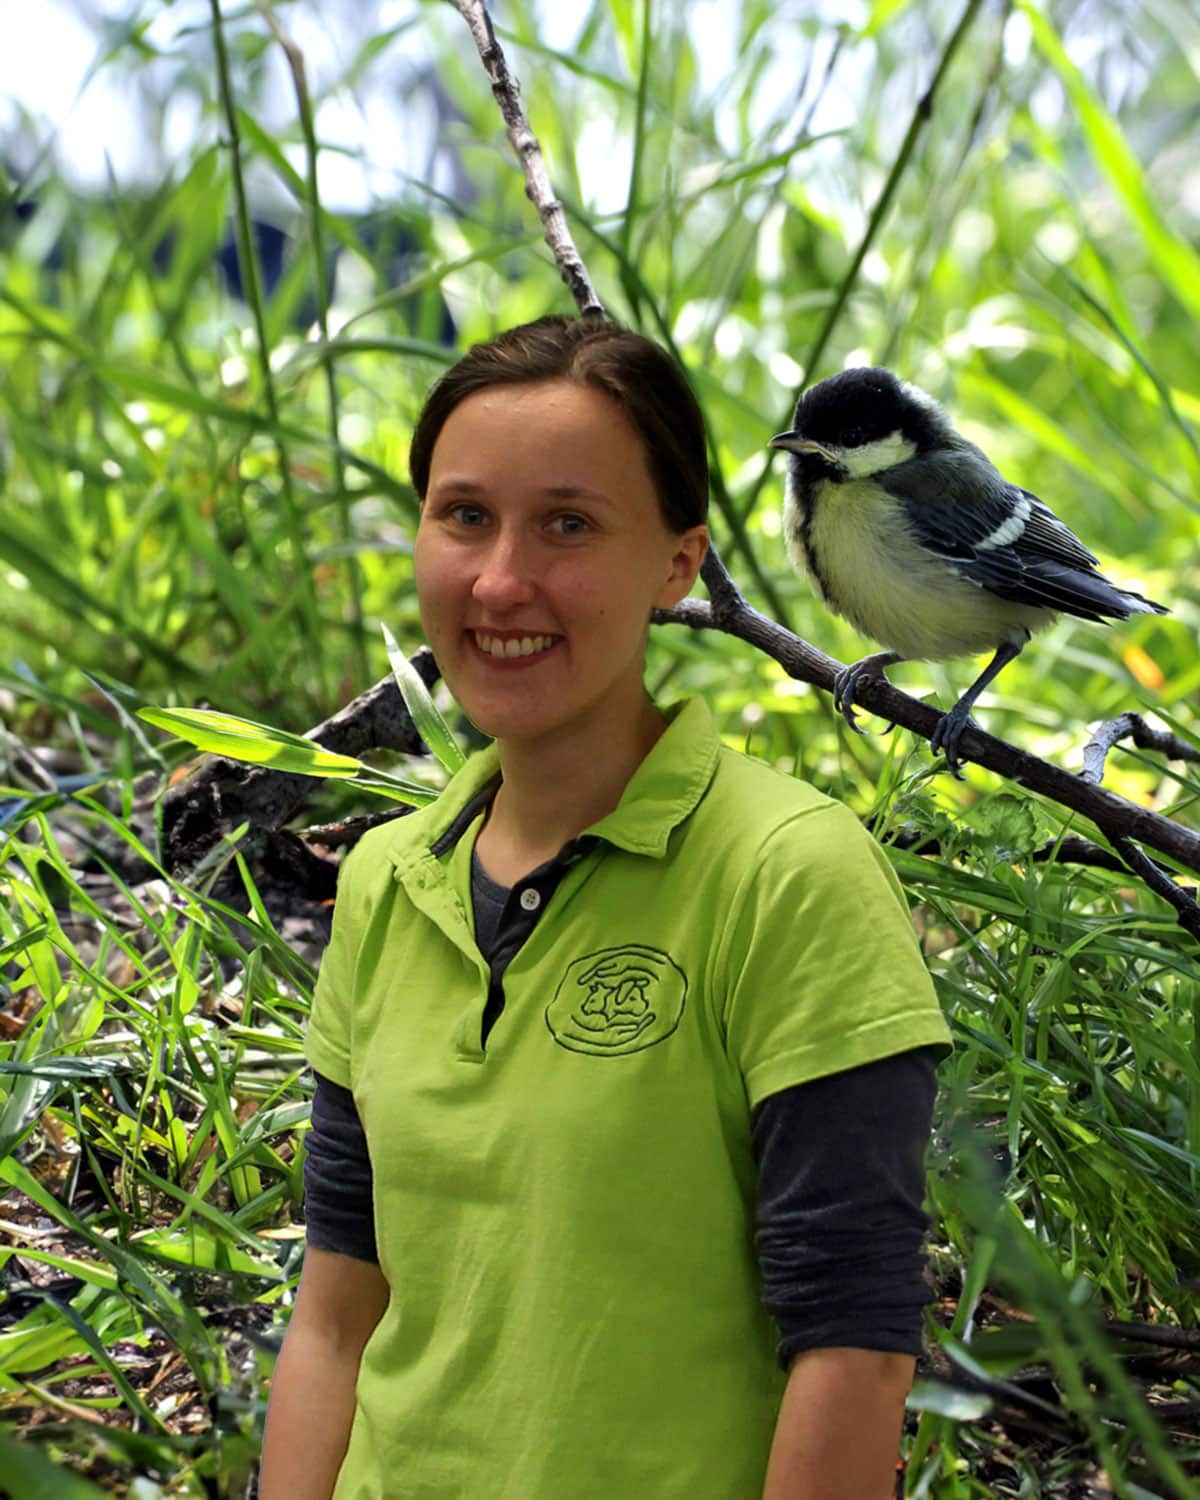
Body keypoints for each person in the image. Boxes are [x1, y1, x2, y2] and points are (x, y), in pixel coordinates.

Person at [258, 315, 953, 1500]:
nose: (500, 580)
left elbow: (854, 1354)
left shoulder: (788, 873)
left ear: (679, 566)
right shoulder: (387, 878)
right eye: (464, 516)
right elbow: (335, 1315)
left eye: (568, 524)